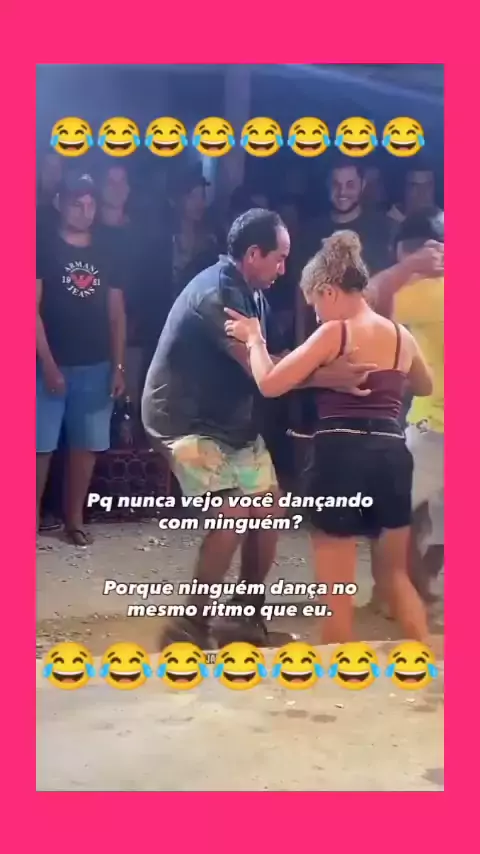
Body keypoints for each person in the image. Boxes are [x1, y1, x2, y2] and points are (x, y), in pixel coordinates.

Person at [142, 210, 378, 648]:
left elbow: (278, 358)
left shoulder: (251, 293)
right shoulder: (219, 296)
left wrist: (327, 364)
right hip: (183, 420)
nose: (284, 268)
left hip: (230, 421)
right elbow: (264, 373)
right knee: (233, 511)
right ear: (254, 254)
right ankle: (189, 626)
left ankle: (245, 617)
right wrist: (330, 376)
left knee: (268, 509)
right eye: (280, 258)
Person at [225, 230, 433, 645]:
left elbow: (270, 383)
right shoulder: (401, 336)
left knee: (337, 592)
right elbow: (424, 386)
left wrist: (254, 339)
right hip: (392, 454)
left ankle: (336, 677)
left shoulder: (336, 332)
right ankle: (428, 665)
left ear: (329, 290)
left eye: (316, 304)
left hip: (341, 454)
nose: (317, 316)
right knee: (395, 576)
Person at [36, 172, 126, 546]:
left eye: (90, 205)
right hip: (46, 365)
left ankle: (74, 520)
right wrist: (47, 364)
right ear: (60, 203)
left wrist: (118, 366)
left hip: (96, 365)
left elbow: (116, 313)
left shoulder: (107, 250)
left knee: (85, 448)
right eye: (77, 204)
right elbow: (29, 310)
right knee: (37, 447)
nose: (84, 211)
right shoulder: (42, 246)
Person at [392, 211, 444, 601]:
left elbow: (363, 304)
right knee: (443, 518)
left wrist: (406, 268)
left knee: (395, 509)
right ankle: (424, 586)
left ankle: (407, 593)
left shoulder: (429, 291)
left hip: (437, 427)